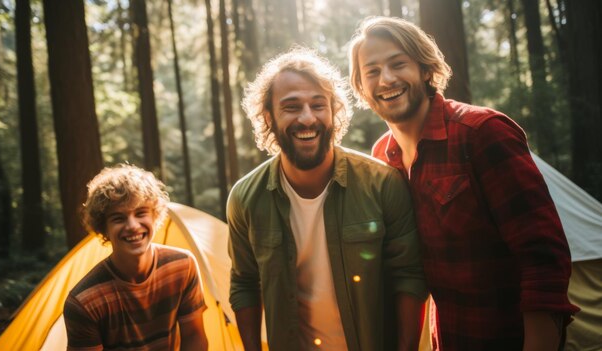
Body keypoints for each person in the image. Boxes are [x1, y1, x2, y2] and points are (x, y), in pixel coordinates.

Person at [347, 16, 578, 351]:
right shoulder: (383, 157)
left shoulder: (482, 134)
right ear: (362, 88)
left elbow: (543, 258)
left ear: (426, 70)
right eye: (372, 71)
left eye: (399, 64)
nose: (386, 79)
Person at [227, 47, 428, 351]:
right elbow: (244, 284)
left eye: (318, 105)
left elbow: (409, 279)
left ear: (334, 111)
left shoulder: (383, 184)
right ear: (268, 116)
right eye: (291, 107)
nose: (307, 118)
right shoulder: (245, 198)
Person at [63, 165, 208, 350]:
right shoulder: (84, 302)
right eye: (118, 218)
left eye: (140, 213)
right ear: (103, 228)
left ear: (155, 216)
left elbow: (194, 336)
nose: (132, 225)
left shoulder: (183, 266)